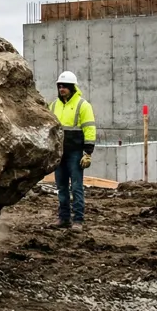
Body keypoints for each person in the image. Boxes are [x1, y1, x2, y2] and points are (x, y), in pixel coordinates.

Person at [51, 70, 96, 230]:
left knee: (76, 187)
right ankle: (64, 219)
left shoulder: (83, 105)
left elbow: (89, 129)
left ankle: (78, 220)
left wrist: (88, 153)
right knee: (61, 187)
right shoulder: (54, 105)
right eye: (60, 86)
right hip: (60, 154)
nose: (61, 88)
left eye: (65, 86)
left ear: (72, 87)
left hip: (75, 153)